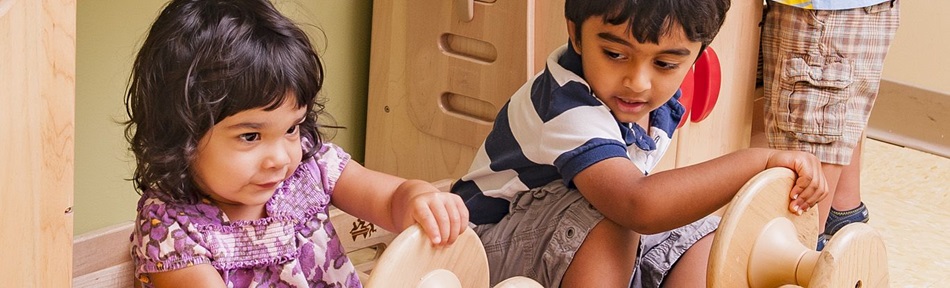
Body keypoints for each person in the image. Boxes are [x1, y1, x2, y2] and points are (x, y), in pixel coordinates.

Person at [450, 0, 829, 287]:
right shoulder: (565, 104)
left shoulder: (648, 102)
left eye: (665, 64)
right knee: (612, 216)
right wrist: (756, 161)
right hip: (486, 251)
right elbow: (637, 204)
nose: (638, 82)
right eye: (615, 54)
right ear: (576, 33)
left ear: (697, 57)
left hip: (568, 240)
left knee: (704, 237)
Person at [123, 0, 468, 287]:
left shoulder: (309, 167)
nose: (279, 158)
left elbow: (391, 200)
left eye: (291, 128)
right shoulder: (171, 229)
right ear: (182, 135)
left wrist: (420, 199)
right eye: (250, 136)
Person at [760, 0, 900, 250]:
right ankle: (843, 212)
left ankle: (804, 250)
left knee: (811, 133)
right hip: (847, 11)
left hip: (821, 14)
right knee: (837, 114)